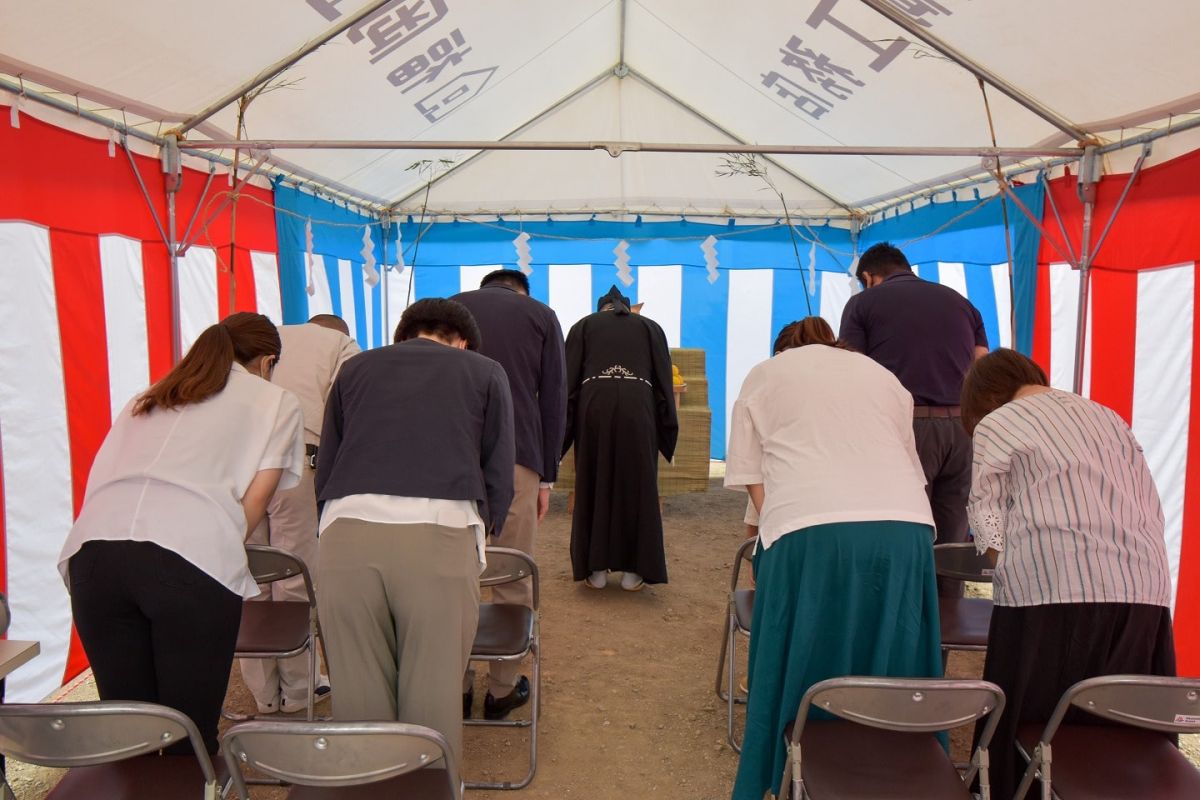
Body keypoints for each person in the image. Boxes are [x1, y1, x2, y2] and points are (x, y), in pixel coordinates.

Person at [57, 312, 305, 754]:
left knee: (128, 733)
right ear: (268, 362)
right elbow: (253, 506)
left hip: (93, 556)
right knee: (187, 738)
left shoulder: (147, 398)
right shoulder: (275, 400)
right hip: (189, 556)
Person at [725, 316, 940, 800]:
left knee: (801, 649)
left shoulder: (765, 373)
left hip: (808, 525)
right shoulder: (882, 376)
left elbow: (750, 474)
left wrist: (780, 525)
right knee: (889, 645)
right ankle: (895, 770)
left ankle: (791, 767)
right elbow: (908, 463)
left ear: (783, 348)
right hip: (904, 525)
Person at [962, 348, 1176, 799]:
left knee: (1032, 724)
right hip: (1144, 586)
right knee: (1121, 729)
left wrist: (1007, 566)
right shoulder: (1109, 416)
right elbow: (1149, 501)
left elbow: (985, 513)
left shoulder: (997, 422)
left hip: (1052, 588)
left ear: (985, 398)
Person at [315, 298, 514, 774]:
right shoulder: (484, 372)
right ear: (462, 340)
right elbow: (498, 470)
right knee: (432, 693)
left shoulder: (355, 369)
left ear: (404, 334)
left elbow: (329, 461)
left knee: (358, 692)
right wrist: (486, 528)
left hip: (345, 534)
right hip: (440, 533)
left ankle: (369, 785)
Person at [839, 242, 989, 597]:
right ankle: (942, 637)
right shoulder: (962, 303)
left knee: (900, 530)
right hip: (963, 429)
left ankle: (898, 630)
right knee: (951, 540)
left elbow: (851, 370)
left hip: (904, 427)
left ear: (868, 277)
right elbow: (982, 365)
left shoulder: (863, 304)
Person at [452, 269, 566, 719]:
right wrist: (546, 476)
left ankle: (456, 682)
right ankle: (500, 688)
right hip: (518, 452)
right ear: (521, 290)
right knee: (511, 565)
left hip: (452, 452)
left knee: (453, 567)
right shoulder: (541, 315)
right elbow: (553, 398)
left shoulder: (449, 308)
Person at [239, 313, 360, 715]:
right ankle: (300, 689)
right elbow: (352, 410)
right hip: (298, 462)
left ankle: (264, 695)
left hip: (239, 463)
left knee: (249, 574)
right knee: (294, 575)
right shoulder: (341, 346)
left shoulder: (267, 336)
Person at [563, 285, 678, 590]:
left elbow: (568, 383)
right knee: (639, 482)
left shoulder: (583, 326)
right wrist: (667, 429)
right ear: (627, 307)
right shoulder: (651, 328)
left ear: (601, 307)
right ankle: (634, 573)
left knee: (592, 479)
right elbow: (664, 381)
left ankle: (595, 571)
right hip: (639, 404)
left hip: (593, 404)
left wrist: (562, 434)